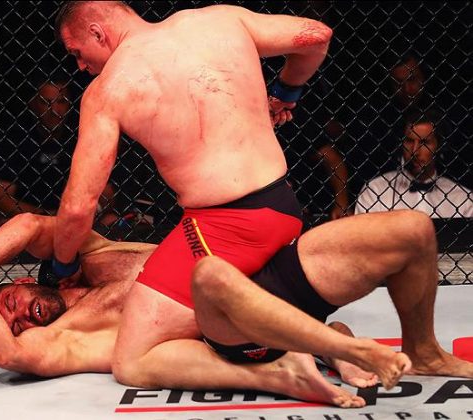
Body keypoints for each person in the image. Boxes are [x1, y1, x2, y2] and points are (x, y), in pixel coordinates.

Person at [50, 1, 332, 391]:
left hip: (226, 229)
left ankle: (277, 373)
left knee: (132, 359)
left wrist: (63, 267)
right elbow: (316, 36)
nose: (80, 66)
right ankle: (294, 333)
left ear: (98, 32)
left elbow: (80, 206)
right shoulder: (219, 19)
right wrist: (287, 91)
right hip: (285, 208)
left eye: (77, 53)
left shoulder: (109, 89)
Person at [0, 212, 413, 407]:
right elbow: (7, 353)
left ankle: (327, 334)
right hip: (239, 326)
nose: (22, 318)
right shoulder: (68, 337)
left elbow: (29, 225)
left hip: (267, 266)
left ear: (22, 278)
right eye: (16, 325)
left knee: (399, 237)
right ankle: (308, 345)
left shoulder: (93, 253)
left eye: (10, 304)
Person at [192, 209, 473, 388]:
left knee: (415, 229)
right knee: (211, 273)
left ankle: (423, 354)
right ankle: (344, 350)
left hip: (275, 272)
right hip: (227, 320)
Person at [0, 80, 118, 226]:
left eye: (61, 102)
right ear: (33, 104)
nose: (55, 111)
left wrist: (84, 212)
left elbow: (107, 193)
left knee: (110, 220)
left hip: (76, 218)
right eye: (46, 102)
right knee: (6, 223)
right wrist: (44, 216)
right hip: (31, 218)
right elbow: (0, 198)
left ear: (70, 105)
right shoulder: (16, 140)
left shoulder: (83, 138)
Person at [355, 110, 473, 217]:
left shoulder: (462, 198)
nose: (415, 151)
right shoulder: (375, 191)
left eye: (424, 142)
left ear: (440, 147)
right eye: (410, 141)